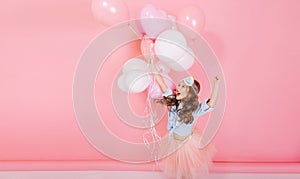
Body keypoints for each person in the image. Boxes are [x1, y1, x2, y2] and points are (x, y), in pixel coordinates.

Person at [150, 58, 221, 179]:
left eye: (182, 86)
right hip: (174, 142)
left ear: (189, 93)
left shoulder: (195, 109)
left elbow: (211, 104)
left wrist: (216, 84)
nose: (178, 87)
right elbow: (162, 84)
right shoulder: (173, 104)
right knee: (178, 170)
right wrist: (152, 67)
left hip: (188, 143)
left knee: (188, 171)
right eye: (179, 85)